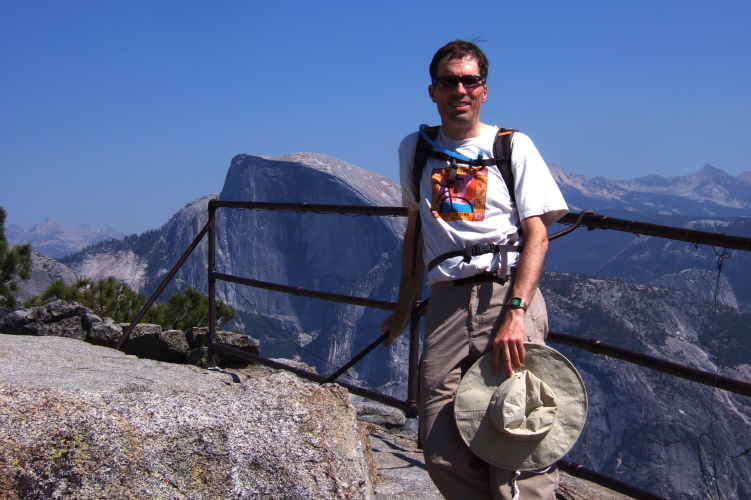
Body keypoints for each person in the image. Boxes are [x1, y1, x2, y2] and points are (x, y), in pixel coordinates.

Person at [380, 40, 568, 499]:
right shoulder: (415, 149)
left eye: (470, 80)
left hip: (508, 292)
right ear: (432, 91)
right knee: (440, 444)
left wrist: (517, 312)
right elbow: (415, 232)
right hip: (446, 301)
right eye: (449, 80)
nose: (459, 89)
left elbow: (537, 236)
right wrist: (403, 311)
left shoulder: (512, 146)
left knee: (521, 433)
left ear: (484, 90)